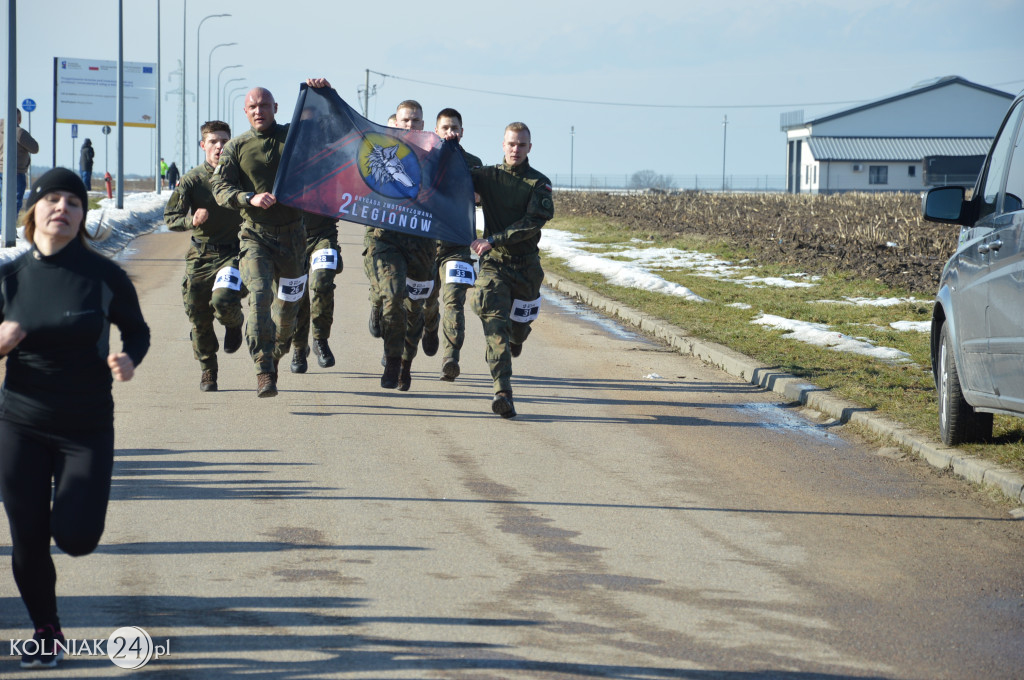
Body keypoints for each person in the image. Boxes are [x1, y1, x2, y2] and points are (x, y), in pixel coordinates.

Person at [0, 168, 149, 669]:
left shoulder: (104, 276)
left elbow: (138, 332)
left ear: (84, 217)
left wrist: (130, 358)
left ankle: (61, 572)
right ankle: (46, 629)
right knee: (27, 535)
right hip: (19, 422)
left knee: (77, 537)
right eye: (52, 199)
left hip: (85, 425)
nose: (62, 208)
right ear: (33, 211)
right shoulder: (10, 278)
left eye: (73, 202)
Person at [211, 79, 330, 397]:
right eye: (252, 106)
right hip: (255, 237)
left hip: (293, 239)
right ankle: (264, 370)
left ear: (275, 108)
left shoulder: (292, 137)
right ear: (245, 112)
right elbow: (219, 188)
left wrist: (323, 93)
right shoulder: (236, 147)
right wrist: (247, 198)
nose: (258, 110)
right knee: (260, 298)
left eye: (264, 105)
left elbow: (326, 128)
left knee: (288, 309)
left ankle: (277, 349)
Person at [469, 122, 554, 418]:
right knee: (494, 322)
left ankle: (517, 338)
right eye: (511, 144)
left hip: (526, 268)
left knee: (517, 331)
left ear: (530, 147)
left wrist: (492, 239)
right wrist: (449, 143)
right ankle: (502, 390)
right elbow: (452, 175)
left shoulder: (539, 184)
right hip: (495, 265)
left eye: (521, 145)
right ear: (502, 145)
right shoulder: (487, 176)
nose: (515, 149)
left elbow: (531, 224)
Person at [163, 120, 246, 392]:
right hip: (201, 255)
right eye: (213, 141)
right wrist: (191, 220)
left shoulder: (241, 176)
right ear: (203, 145)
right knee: (198, 315)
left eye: (224, 141)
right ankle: (208, 370)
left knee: (222, 299)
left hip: (233, 255)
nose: (219, 146)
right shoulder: (192, 180)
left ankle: (234, 324)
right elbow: (171, 218)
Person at [362, 99, 435, 391]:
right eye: (405, 120)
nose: (410, 125)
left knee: (414, 308)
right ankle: (392, 361)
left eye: (415, 121)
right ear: (394, 123)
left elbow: (466, 172)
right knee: (392, 298)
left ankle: (406, 363)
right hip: (386, 238)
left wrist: (454, 144)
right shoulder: (375, 149)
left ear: (422, 125)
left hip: (421, 243)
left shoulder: (435, 154)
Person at [422, 108, 483, 381]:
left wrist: (478, 196)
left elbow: (484, 198)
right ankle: (429, 326)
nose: (450, 133)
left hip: (457, 245)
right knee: (427, 302)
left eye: (455, 128)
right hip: (425, 245)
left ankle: (451, 357)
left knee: (454, 300)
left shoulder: (473, 163)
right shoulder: (423, 160)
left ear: (462, 131)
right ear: (437, 131)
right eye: (445, 127)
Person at [289, 212, 340, 373]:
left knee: (322, 282)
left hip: (323, 234)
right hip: (290, 237)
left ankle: (320, 338)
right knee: (297, 292)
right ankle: (299, 346)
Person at [0, 109, 40, 213]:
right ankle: (7, 229)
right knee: (14, 203)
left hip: (1, 171)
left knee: (2, 203)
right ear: (19, 119)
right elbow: (35, 148)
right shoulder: (18, 132)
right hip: (16, 172)